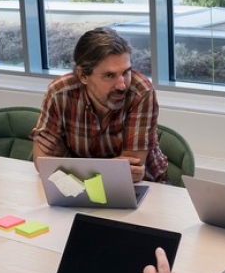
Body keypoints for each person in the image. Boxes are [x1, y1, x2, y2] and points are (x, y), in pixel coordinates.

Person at [32, 27, 168, 183]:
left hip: (145, 185)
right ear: (83, 75)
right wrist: (111, 168)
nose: (122, 85)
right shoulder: (60, 92)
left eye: (126, 72)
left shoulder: (141, 92)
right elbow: (42, 163)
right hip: (81, 187)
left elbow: (130, 169)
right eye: (109, 75)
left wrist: (66, 159)